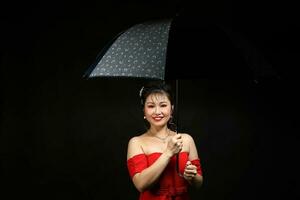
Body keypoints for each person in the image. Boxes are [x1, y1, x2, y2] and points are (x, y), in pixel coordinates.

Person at [127, 81, 203, 200]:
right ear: (144, 111)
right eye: (151, 106)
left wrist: (192, 176)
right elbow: (140, 184)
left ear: (171, 109)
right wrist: (168, 153)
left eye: (163, 105)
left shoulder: (186, 139)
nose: (157, 112)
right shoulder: (136, 142)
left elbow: (199, 183)